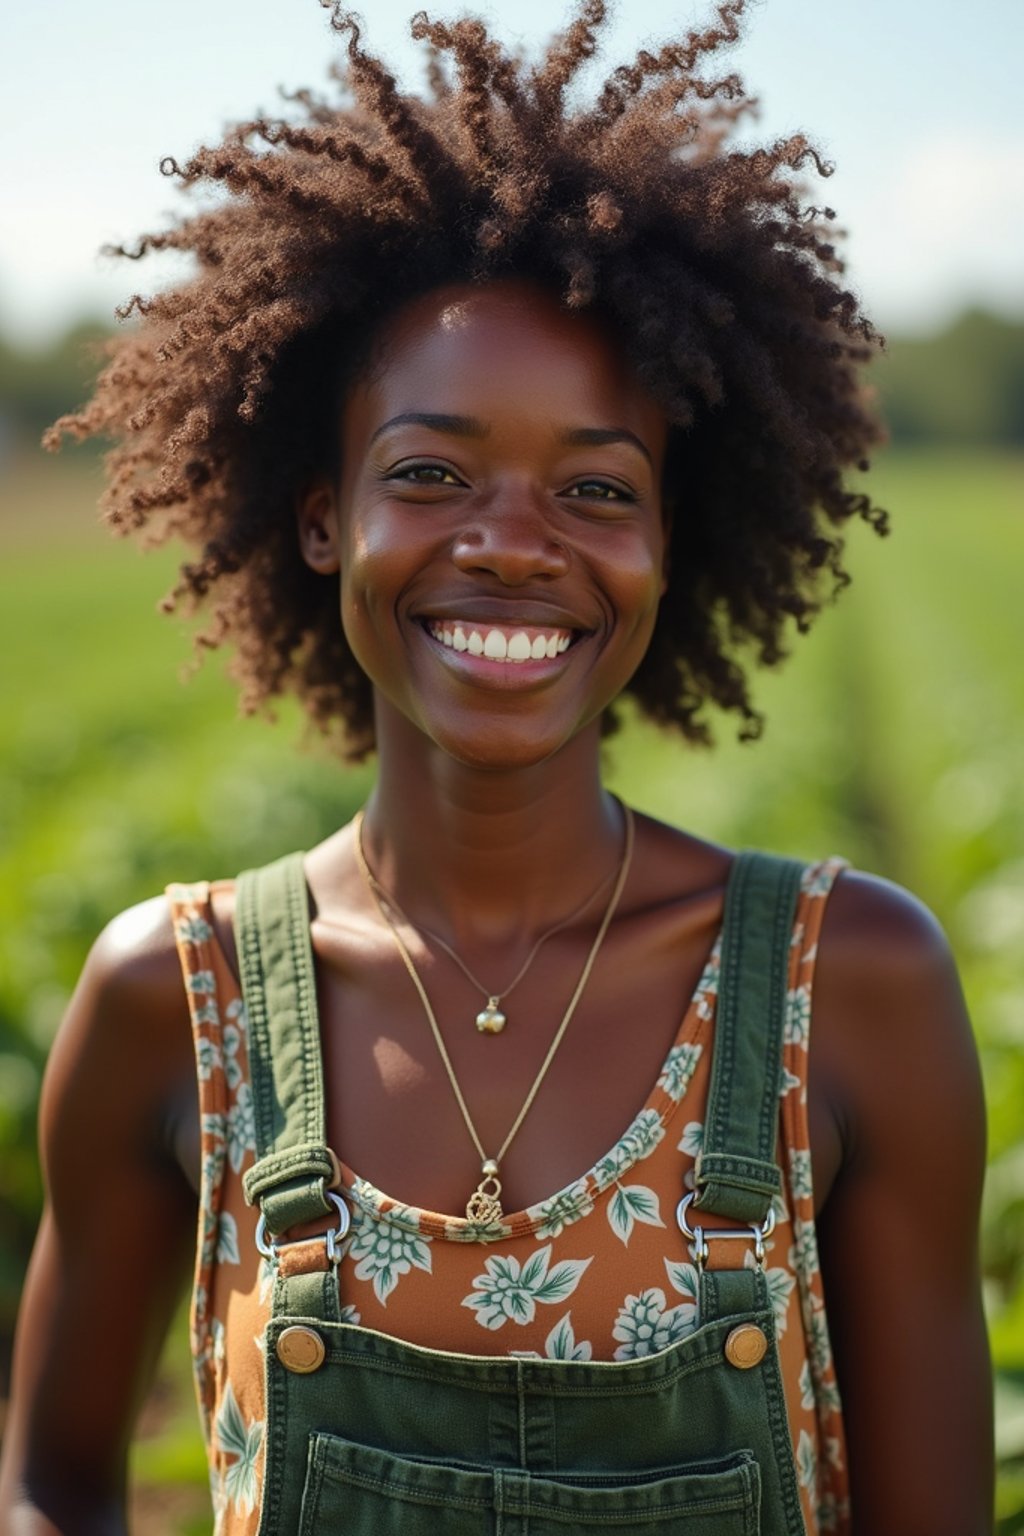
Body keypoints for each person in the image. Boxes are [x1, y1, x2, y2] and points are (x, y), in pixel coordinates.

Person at [0, 2, 992, 1532]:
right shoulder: (171, 1003)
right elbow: (53, 1483)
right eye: (429, 473)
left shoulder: (846, 984)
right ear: (324, 515)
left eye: (596, 487)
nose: (512, 544)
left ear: (673, 542)